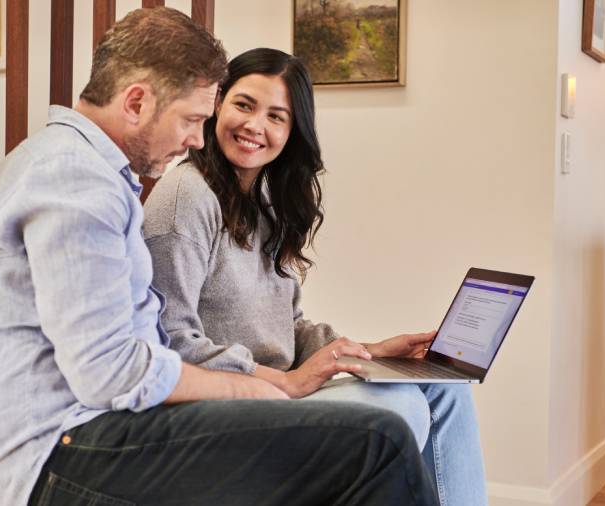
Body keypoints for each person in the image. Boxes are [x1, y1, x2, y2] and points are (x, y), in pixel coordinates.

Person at [0, 8, 437, 506]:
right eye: (191, 119)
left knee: (390, 423)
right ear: (137, 101)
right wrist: (253, 391)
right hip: (66, 454)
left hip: (106, 432)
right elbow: (108, 371)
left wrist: (344, 361)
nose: (196, 140)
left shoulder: (91, 175)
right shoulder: (73, 179)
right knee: (378, 441)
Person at [143, 47, 487, 505]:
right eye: (244, 105)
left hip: (283, 389)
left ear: (292, 131)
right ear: (218, 104)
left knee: (444, 390)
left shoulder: (261, 202)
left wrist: (368, 351)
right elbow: (171, 341)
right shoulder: (186, 196)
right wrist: (284, 381)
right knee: (401, 409)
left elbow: (288, 325)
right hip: (229, 406)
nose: (255, 127)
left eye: (276, 116)